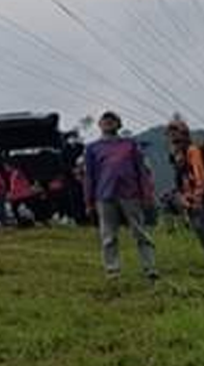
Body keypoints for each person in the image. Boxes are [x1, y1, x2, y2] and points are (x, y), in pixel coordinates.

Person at [84, 111, 158, 282]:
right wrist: (88, 201)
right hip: (104, 195)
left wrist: (147, 194)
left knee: (140, 232)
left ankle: (150, 268)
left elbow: (142, 171)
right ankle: (113, 271)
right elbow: (89, 176)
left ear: (119, 124)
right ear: (100, 125)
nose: (108, 123)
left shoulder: (130, 145)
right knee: (108, 236)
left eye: (112, 120)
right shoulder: (92, 148)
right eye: (105, 120)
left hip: (130, 194)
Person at [168, 120, 204, 268]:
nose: (173, 136)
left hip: (200, 196)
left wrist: (197, 196)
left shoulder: (192, 151)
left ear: (184, 134)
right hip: (190, 195)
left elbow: (200, 174)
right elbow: (182, 177)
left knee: (203, 228)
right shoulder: (178, 152)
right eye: (171, 133)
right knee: (200, 229)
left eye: (176, 132)